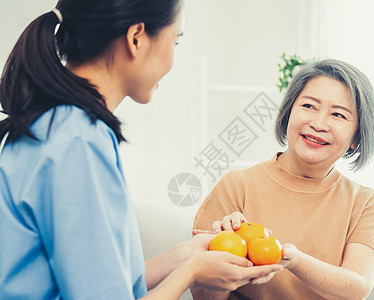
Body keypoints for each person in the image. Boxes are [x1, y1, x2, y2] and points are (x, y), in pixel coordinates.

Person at [0, 1, 283, 299]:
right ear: (136, 38)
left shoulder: (57, 123)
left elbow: (102, 280)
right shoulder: (78, 142)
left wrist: (186, 256)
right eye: (174, 41)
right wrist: (192, 273)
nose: (173, 59)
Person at [191, 59, 374, 300]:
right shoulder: (237, 186)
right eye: (309, 106)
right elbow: (202, 296)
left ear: (356, 137)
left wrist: (292, 259)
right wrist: (220, 256)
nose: (318, 123)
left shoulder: (365, 203)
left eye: (338, 114)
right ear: (288, 112)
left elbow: (357, 288)